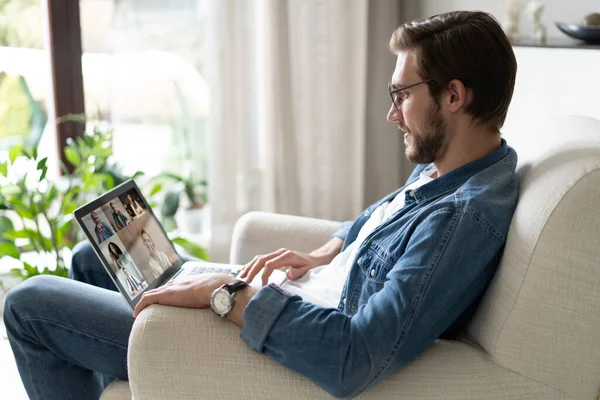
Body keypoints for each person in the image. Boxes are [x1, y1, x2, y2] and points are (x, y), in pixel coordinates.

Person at [3, 11, 520, 399]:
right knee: (95, 258)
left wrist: (221, 292)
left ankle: (153, 353)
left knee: (28, 305)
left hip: (277, 337)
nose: (392, 113)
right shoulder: (450, 169)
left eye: (401, 93)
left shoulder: (462, 218)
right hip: (288, 298)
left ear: (454, 96)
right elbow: (371, 226)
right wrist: (324, 254)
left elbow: (352, 357)